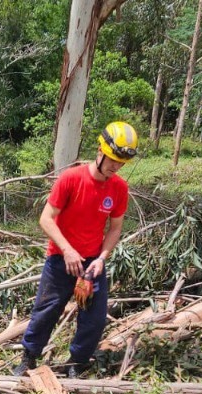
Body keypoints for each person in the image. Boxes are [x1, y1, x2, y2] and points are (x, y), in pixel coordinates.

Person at [14, 121, 138, 377]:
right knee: (47, 310)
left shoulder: (119, 188)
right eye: (113, 159)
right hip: (61, 259)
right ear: (100, 151)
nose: (116, 167)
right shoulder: (71, 179)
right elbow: (46, 218)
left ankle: (76, 362)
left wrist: (102, 258)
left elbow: (115, 228)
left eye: (120, 163)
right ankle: (29, 357)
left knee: (93, 316)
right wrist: (68, 250)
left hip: (92, 263)